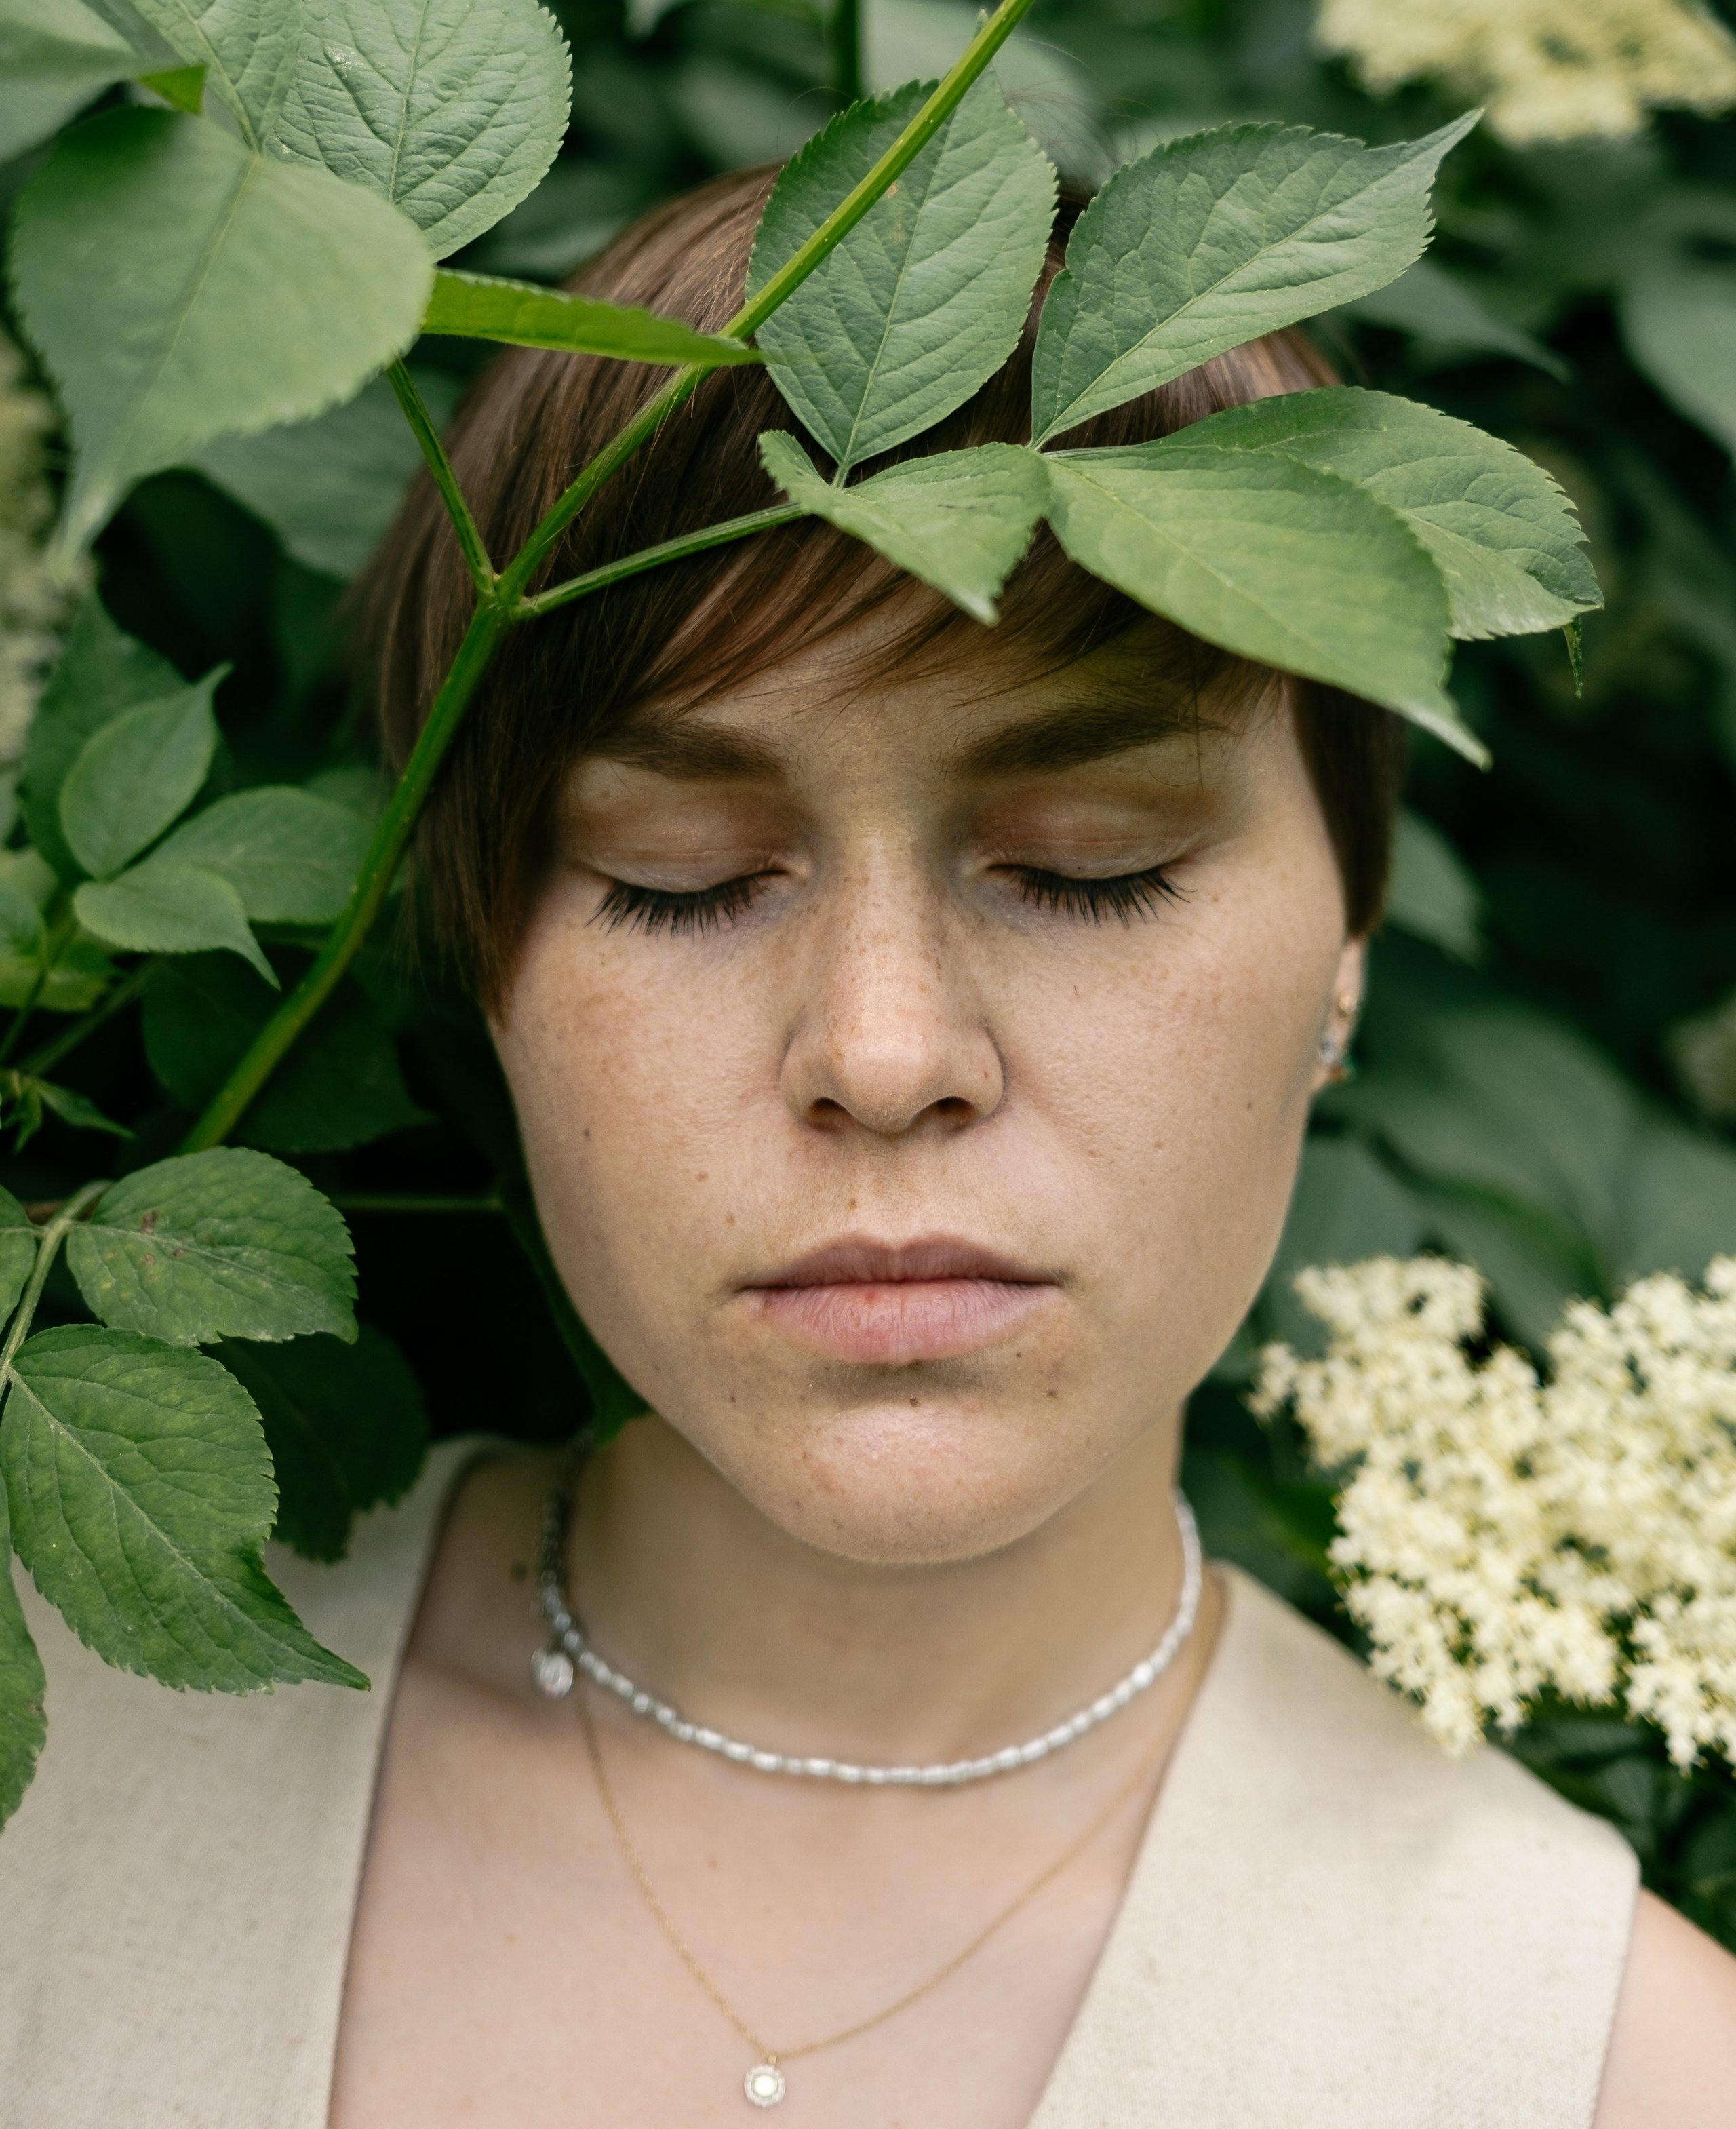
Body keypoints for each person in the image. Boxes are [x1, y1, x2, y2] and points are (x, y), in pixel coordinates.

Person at [5, 172, 1735, 2127]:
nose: (886, 1053)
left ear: (1349, 947)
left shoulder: (1614, 2069)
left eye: (1096, 870)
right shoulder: (55, 1757)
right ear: (473, 950)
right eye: (683, 881)